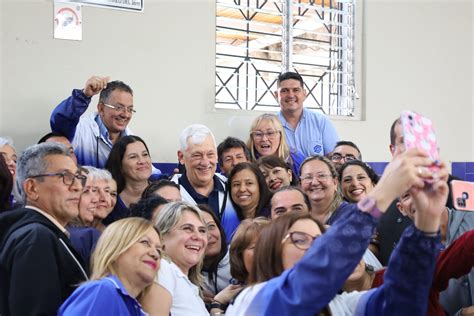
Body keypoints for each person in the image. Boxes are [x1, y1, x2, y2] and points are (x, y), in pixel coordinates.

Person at [226, 148, 449, 315]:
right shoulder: (252, 300)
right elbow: (310, 279)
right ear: (272, 247)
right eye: (300, 239)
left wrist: (426, 225)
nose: (316, 247)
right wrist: (383, 192)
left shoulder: (337, 306)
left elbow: (402, 300)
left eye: (320, 240)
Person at [0, 143, 88, 315]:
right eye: (65, 176)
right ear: (32, 188)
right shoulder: (36, 238)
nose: (78, 186)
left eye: (78, 177)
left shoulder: (40, 234)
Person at [59, 217, 161, 315]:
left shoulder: (136, 309)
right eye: (145, 242)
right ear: (116, 248)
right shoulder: (101, 291)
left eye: (159, 250)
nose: (155, 254)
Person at [172, 124, 239, 243]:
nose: (205, 162)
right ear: (181, 157)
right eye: (197, 155)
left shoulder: (234, 189)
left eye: (210, 154)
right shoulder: (169, 197)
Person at [141, 201, 209, 316]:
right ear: (162, 237)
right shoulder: (163, 269)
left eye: (202, 231)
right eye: (187, 228)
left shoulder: (180, 278)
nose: (198, 237)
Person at [50, 76, 134, 168]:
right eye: (119, 108)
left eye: (130, 109)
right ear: (101, 108)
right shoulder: (80, 130)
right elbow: (60, 120)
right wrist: (83, 96)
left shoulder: (132, 141)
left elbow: (148, 171)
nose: (125, 115)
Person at [275, 71, 339, 157]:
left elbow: (334, 156)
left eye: (296, 90)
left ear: (304, 94)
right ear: (276, 95)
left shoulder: (321, 121)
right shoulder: (271, 125)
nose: (290, 95)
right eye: (284, 91)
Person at [104, 135, 153, 224]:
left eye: (145, 155)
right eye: (133, 157)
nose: (142, 161)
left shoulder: (163, 192)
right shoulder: (110, 201)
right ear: (120, 165)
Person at [299, 155, 348, 224]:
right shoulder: (295, 215)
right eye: (308, 177)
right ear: (300, 184)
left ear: (335, 182)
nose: (314, 183)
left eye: (322, 176)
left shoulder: (352, 214)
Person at [229, 217, 271, 285]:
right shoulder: (237, 294)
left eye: (268, 245)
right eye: (254, 247)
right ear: (239, 255)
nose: (263, 251)